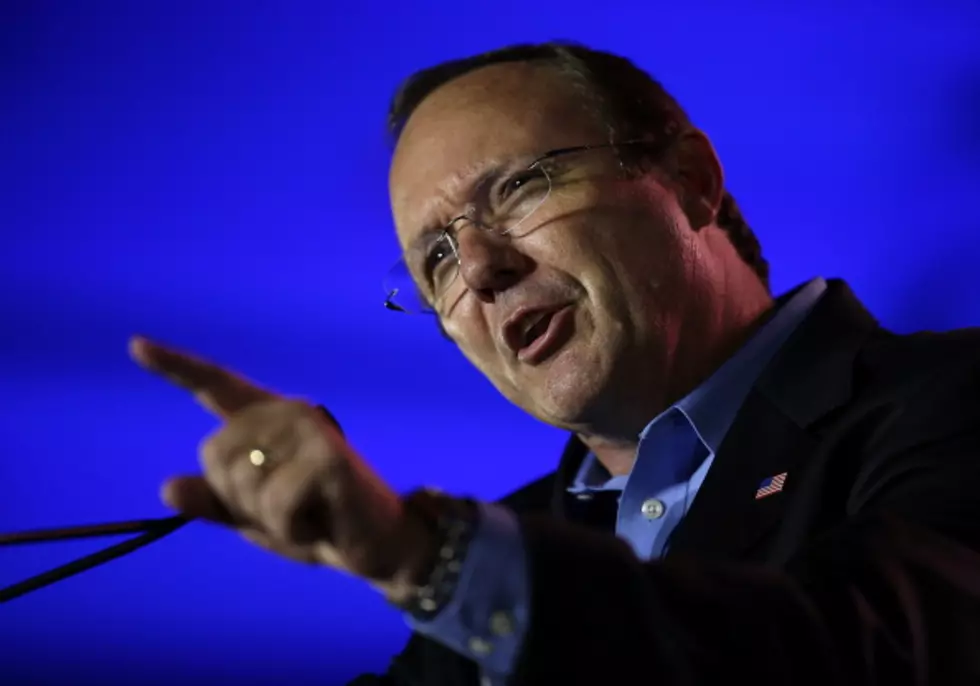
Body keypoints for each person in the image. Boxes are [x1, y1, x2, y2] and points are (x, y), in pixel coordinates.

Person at [130, 42, 980, 686]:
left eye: (520, 188)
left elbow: (872, 653)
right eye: (435, 262)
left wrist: (433, 565)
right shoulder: (525, 534)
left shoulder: (947, 399)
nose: (480, 271)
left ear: (690, 180)